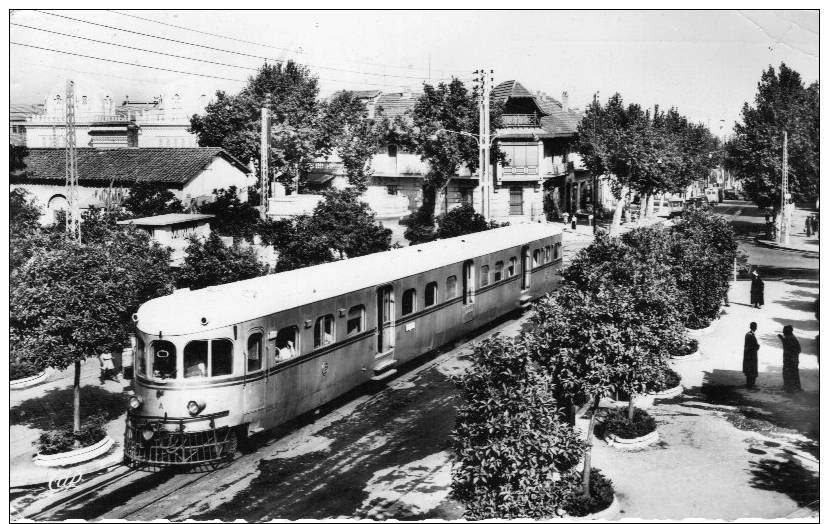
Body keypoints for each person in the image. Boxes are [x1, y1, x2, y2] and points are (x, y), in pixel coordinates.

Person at [778, 325, 802, 393]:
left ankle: (790, 388)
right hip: (790, 360)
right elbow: (787, 344)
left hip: (790, 360)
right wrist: (782, 339)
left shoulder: (790, 338)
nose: (783, 333)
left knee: (790, 373)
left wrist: (793, 358)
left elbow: (795, 349)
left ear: (787, 332)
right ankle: (791, 387)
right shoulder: (790, 337)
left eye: (784, 332)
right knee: (792, 374)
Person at [743, 322, 760, 389]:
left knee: (750, 369)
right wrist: (757, 346)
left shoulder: (748, 334)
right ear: (754, 327)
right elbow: (753, 346)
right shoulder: (751, 335)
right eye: (755, 326)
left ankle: (750, 384)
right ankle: (750, 385)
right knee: (752, 369)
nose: (756, 328)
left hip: (748, 354)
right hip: (751, 355)